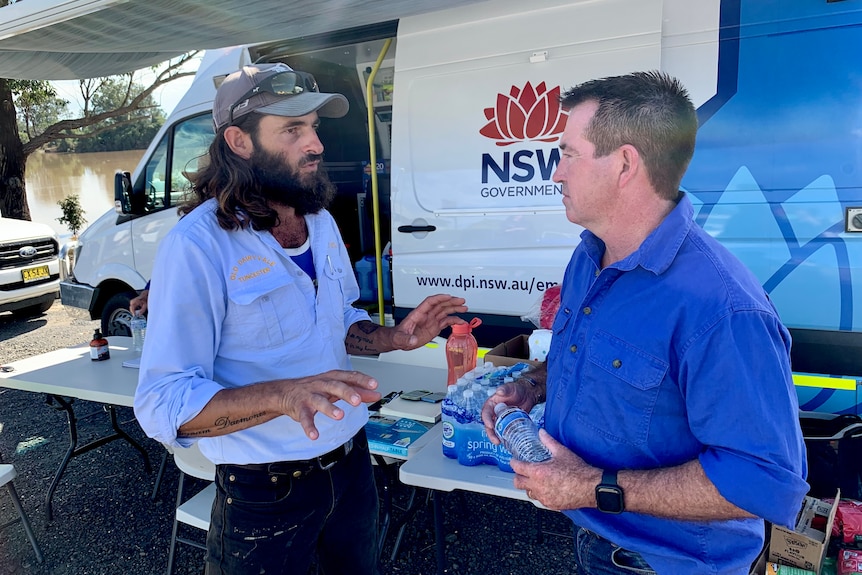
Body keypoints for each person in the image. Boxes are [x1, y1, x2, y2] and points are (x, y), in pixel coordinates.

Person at [134, 62, 467, 575]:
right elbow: (162, 403)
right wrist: (281, 396)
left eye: (313, 127)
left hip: (352, 467)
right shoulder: (197, 246)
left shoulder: (319, 219)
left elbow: (338, 320)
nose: (316, 145)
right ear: (239, 142)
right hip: (264, 492)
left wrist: (394, 337)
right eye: (292, 130)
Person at [481, 71, 808, 574]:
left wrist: (590, 486)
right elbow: (589, 356)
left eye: (568, 153)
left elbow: (764, 481)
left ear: (625, 164)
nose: (555, 174)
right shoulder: (591, 257)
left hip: (662, 564)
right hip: (596, 541)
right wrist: (530, 386)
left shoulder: (721, 307)